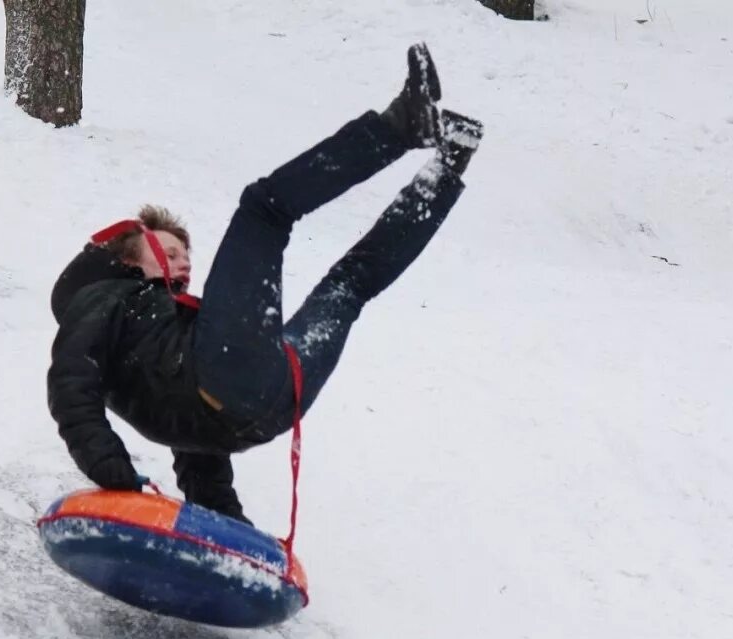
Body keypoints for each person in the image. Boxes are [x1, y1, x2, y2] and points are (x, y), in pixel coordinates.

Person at [47, 43, 483, 525]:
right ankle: (402, 125)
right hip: (249, 398)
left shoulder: (162, 348)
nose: (185, 264)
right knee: (265, 209)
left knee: (349, 287)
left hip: (259, 399)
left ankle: (447, 167)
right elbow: (72, 383)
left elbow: (197, 446)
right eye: (170, 253)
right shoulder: (105, 299)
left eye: (187, 256)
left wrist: (228, 533)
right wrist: (116, 475)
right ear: (127, 256)